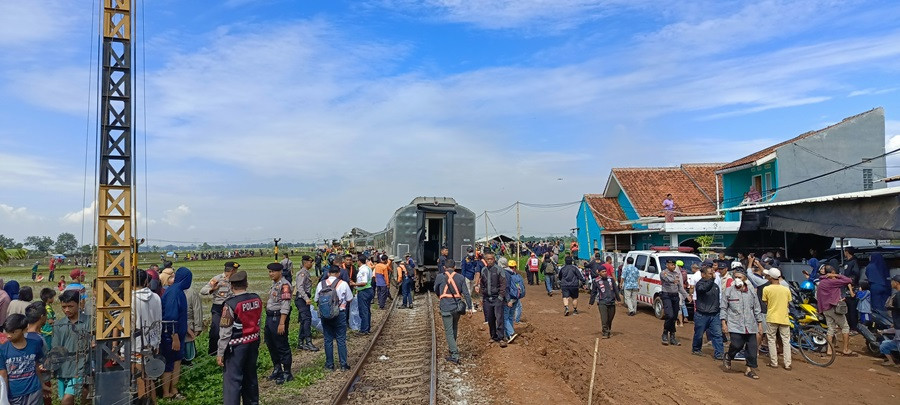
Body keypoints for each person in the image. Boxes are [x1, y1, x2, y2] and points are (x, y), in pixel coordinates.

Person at [217, 270, 263, 405]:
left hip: (236, 346)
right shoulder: (256, 298)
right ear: (246, 284)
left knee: (232, 381)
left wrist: (220, 352)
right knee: (250, 377)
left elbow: (225, 331)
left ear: (232, 286)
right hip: (253, 341)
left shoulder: (230, 304)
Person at [53, 290, 92, 405]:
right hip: (63, 369)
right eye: (64, 307)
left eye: (70, 306)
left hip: (81, 368)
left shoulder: (89, 321)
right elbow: (56, 348)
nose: (67, 310)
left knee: (67, 400)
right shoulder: (59, 324)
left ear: (80, 304)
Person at [721, 274, 763, 380]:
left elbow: (757, 308)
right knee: (736, 344)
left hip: (750, 325)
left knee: (752, 347)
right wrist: (724, 323)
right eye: (736, 276)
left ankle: (749, 369)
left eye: (740, 277)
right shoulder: (729, 291)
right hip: (735, 324)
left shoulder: (751, 292)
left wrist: (760, 324)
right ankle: (729, 356)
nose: (737, 279)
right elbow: (723, 308)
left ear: (745, 278)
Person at [0, 314, 45, 405]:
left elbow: (36, 366)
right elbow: (3, 374)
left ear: (25, 330)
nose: (8, 335)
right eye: (7, 332)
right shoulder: (3, 350)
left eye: (13, 332)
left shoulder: (35, 344)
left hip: (34, 391)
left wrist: (42, 384)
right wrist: (4, 396)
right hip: (14, 394)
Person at [315, 266, 354, 371]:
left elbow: (316, 299)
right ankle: (343, 364)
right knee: (341, 339)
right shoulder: (343, 284)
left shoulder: (321, 284)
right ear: (338, 273)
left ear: (328, 273)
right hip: (339, 314)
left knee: (328, 339)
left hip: (325, 315)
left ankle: (329, 365)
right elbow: (350, 298)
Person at [160, 267, 191, 400]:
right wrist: (175, 337)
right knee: (169, 364)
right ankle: (167, 393)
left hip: (179, 334)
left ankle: (174, 389)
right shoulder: (174, 293)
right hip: (171, 336)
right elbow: (170, 317)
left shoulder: (178, 291)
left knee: (177, 362)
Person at [132, 270, 162, 404]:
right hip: (152, 341)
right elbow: (159, 321)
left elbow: (130, 324)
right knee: (149, 378)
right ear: (146, 282)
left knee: (139, 379)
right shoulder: (156, 297)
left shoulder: (130, 298)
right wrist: (158, 342)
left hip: (135, 344)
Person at [434, 259, 471, 364]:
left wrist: (441, 296)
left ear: (444, 267)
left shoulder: (440, 277)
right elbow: (467, 294)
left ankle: (454, 354)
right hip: (457, 307)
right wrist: (469, 308)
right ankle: (452, 349)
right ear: (454, 267)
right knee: (454, 329)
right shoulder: (460, 277)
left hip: (446, 307)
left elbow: (435, 289)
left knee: (449, 332)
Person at [817, 265, 855, 356]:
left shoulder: (821, 282)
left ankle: (829, 350)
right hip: (833, 308)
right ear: (832, 272)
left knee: (831, 329)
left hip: (825, 309)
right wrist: (838, 275)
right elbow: (848, 280)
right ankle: (845, 349)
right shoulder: (832, 282)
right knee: (845, 327)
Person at [264, 262, 293, 385]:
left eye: (273, 272)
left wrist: (282, 323)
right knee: (271, 344)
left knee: (281, 344)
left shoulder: (285, 285)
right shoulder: (274, 284)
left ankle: (287, 372)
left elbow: (285, 305)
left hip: (278, 318)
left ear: (280, 272)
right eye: (269, 272)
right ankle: (277, 369)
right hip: (270, 317)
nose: (271, 274)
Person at [200, 262, 237, 356]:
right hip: (218, 308)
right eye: (235, 270)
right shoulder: (217, 279)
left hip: (230, 308)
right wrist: (212, 289)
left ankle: (228, 352)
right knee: (215, 330)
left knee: (231, 330)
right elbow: (203, 290)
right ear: (232, 270)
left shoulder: (236, 279)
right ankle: (212, 353)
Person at [761, 268, 792, 370]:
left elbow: (766, 303)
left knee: (771, 340)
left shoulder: (767, 289)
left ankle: (774, 362)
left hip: (772, 317)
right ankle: (787, 363)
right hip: (784, 317)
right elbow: (788, 303)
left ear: (770, 277)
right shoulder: (786, 289)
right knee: (786, 341)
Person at [692, 264, 723, 359]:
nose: (712, 275)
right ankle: (696, 349)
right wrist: (712, 280)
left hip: (714, 314)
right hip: (702, 315)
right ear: (703, 275)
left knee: (717, 334)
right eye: (710, 274)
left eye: (713, 273)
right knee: (699, 334)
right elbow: (705, 288)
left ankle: (719, 353)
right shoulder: (699, 284)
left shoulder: (715, 285)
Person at [476, 252, 508, 347]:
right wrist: (482, 295)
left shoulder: (499, 270)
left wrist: (500, 297)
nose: (490, 261)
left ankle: (501, 337)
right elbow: (482, 284)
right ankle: (493, 336)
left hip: (497, 298)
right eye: (488, 259)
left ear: (494, 260)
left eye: (491, 259)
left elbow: (503, 284)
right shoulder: (483, 270)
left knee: (499, 318)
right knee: (490, 319)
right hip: (487, 299)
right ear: (485, 260)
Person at [660, 259, 691, 346]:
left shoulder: (677, 274)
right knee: (669, 315)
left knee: (674, 317)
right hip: (666, 296)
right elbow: (666, 279)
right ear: (667, 265)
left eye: (674, 265)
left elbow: (680, 286)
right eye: (672, 265)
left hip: (675, 296)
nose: (673, 266)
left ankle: (672, 336)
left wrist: (686, 295)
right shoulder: (663, 273)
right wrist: (673, 280)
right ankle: (665, 333)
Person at [295, 256, 319, 350]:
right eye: (310, 262)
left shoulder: (306, 272)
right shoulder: (302, 273)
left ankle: (300, 342)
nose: (311, 263)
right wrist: (306, 298)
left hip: (303, 298)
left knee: (304, 320)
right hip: (302, 299)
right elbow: (300, 287)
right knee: (307, 320)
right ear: (305, 263)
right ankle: (308, 342)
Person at [589, 266, 620, 338]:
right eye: (602, 272)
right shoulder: (596, 281)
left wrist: (618, 300)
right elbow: (593, 292)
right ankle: (605, 333)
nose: (604, 273)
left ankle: (608, 330)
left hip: (612, 302)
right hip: (602, 302)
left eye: (605, 271)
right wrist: (591, 302)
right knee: (604, 318)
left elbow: (615, 290)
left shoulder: (611, 279)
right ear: (599, 273)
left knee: (610, 318)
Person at [879, 275, 900, 367]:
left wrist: (891, 307)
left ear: (896, 283)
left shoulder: (898, 295)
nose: (891, 283)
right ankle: (892, 362)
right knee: (884, 345)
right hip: (897, 325)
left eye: (892, 281)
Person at [502, 259, 525, 343]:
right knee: (511, 316)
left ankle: (510, 333)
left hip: (509, 299)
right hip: (516, 298)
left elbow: (506, 288)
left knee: (505, 317)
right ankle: (510, 333)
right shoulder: (517, 275)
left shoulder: (506, 274)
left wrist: (508, 300)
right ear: (515, 267)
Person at [185, 273, 203, 366]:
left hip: (175, 328)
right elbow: (197, 311)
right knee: (189, 354)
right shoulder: (192, 292)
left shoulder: (170, 290)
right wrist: (198, 327)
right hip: (189, 326)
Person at [841, 248, 861, 333]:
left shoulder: (854, 262)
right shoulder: (847, 262)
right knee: (847, 309)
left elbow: (855, 276)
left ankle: (854, 328)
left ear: (847, 252)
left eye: (845, 251)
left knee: (852, 309)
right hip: (845, 288)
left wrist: (851, 286)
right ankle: (849, 326)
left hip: (852, 289)